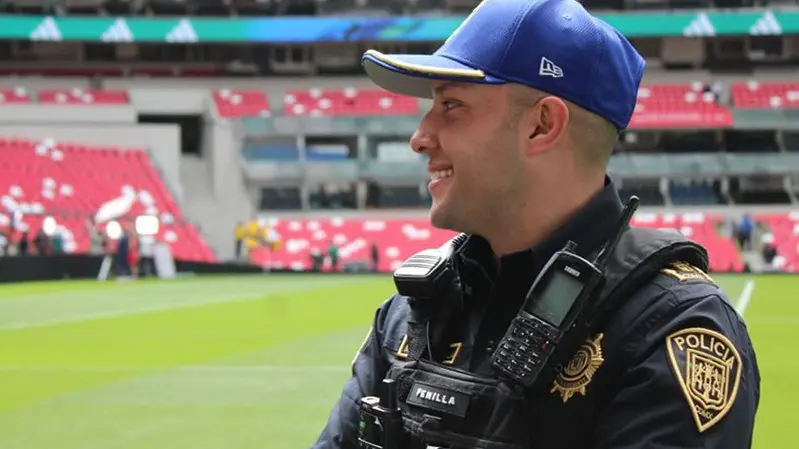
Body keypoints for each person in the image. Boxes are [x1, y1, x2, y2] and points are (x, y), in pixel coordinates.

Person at [311, 0, 760, 448]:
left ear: (542, 125)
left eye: (451, 106)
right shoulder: (412, 313)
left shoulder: (670, 327)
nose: (419, 137)